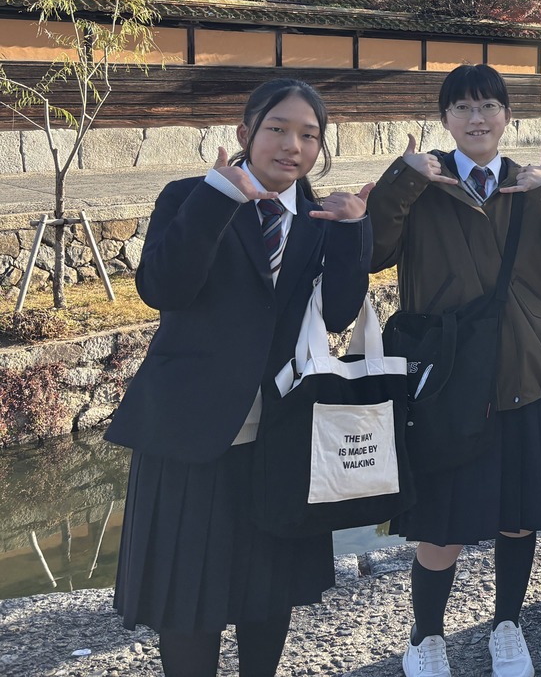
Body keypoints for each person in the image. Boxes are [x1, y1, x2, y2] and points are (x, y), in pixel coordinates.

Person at [106, 79, 374, 677]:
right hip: (189, 430)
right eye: (277, 128)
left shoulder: (320, 217)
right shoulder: (189, 196)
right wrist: (218, 198)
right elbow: (163, 288)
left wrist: (354, 231)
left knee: (268, 589)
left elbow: (337, 314)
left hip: (280, 433)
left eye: (309, 135)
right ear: (245, 133)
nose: (292, 146)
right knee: (186, 595)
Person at [366, 64, 541, 677]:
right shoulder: (422, 183)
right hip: (448, 382)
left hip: (524, 369)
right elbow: (373, 252)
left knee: (519, 519)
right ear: (444, 118)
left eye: (489, 105)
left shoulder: (530, 184)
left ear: (506, 116)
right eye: (463, 107)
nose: (477, 118)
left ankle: (507, 626)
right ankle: (426, 636)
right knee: (441, 528)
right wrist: (400, 180)